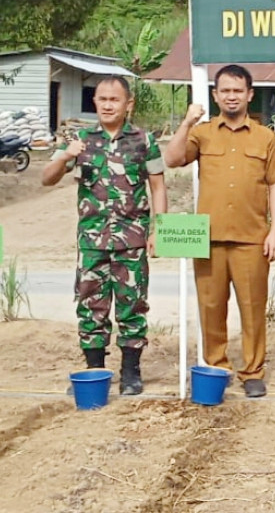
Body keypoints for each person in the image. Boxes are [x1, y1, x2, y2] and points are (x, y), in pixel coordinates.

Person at [162, 64, 275, 399]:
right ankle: (217, 364)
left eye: (238, 91)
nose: (231, 96)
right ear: (216, 95)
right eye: (225, 91)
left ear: (249, 94)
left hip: (252, 238)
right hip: (210, 238)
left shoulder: (266, 137)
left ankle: (253, 371)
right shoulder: (202, 134)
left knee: (252, 308)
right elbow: (172, 159)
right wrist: (187, 121)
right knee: (211, 306)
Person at [42, 76, 167, 395]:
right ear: (94, 102)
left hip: (132, 240)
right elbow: (47, 178)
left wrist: (158, 229)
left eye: (114, 99)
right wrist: (66, 156)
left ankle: (130, 372)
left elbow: (157, 185)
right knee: (91, 306)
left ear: (129, 104)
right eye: (102, 99)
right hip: (92, 242)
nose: (108, 104)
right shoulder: (80, 138)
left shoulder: (144, 140)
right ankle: (94, 370)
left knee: (133, 306)